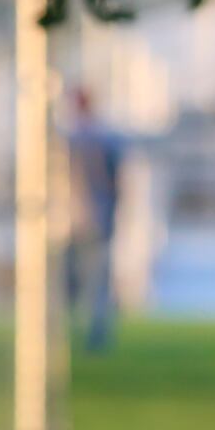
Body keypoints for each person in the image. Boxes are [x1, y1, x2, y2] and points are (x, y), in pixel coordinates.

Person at [63, 87, 123, 352]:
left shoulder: (77, 138)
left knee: (86, 279)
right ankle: (89, 333)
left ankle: (88, 333)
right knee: (89, 280)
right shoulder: (95, 137)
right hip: (89, 218)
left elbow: (111, 180)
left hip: (81, 219)